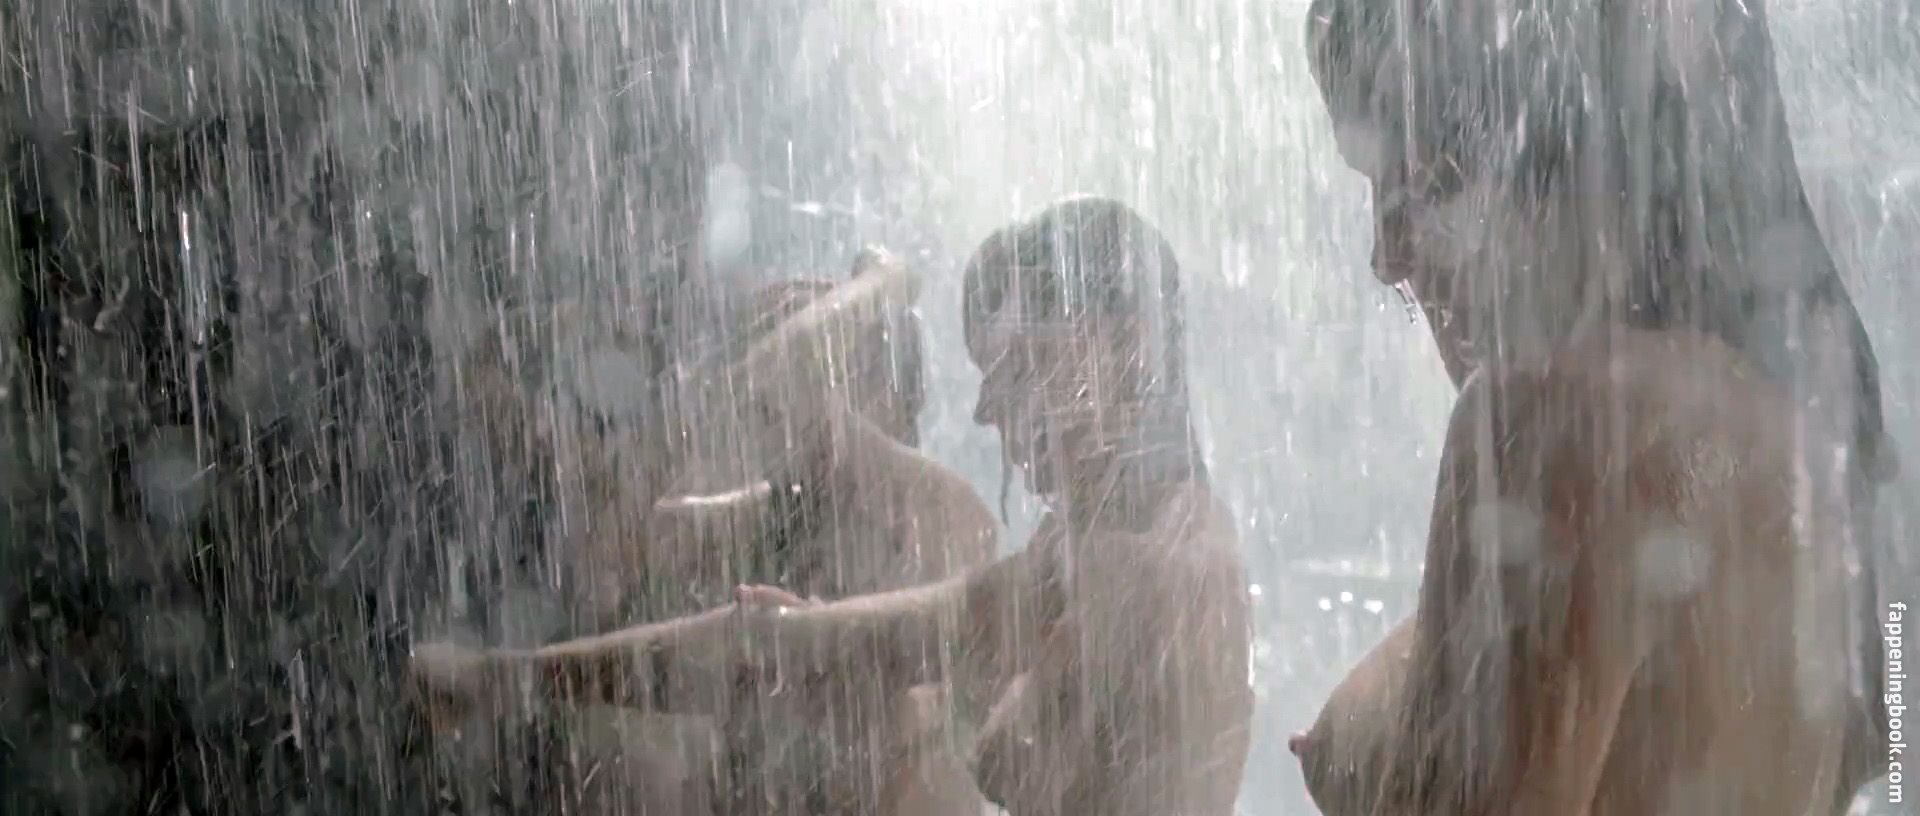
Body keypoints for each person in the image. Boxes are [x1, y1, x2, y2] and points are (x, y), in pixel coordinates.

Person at [411, 197, 1255, 816]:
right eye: (988, 374)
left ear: (1129, 343)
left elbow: (787, 647)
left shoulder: (1139, 560)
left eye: (1022, 365)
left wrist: (880, 286)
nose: (987, 409)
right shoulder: (1084, 547)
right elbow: (769, 636)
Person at [1289, 0, 1897, 813]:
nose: (1386, 255)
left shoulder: (1566, 424)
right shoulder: (1801, 462)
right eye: (1377, 187)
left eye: (1432, 181)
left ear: (1580, 155)